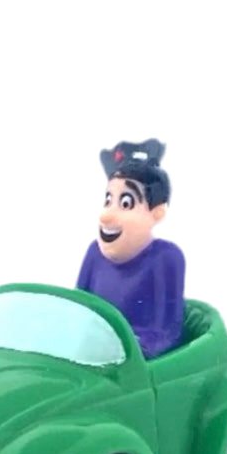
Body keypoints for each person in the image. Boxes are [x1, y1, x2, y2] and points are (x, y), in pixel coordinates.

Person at [76, 139, 185, 358]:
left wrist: (129, 346)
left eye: (126, 203)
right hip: (91, 354)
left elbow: (165, 332)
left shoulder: (165, 258)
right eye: (108, 200)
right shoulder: (95, 253)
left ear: (157, 212)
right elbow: (78, 308)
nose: (106, 215)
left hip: (134, 362)